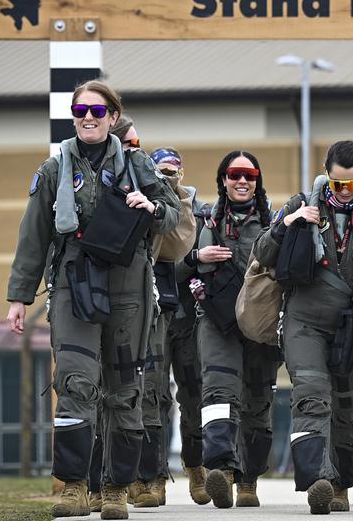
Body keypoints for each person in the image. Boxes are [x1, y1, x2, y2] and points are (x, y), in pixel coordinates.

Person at [6, 80, 181, 520]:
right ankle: (74, 487)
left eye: (98, 111)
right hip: (73, 282)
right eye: (81, 110)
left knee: (125, 391)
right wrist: (19, 297)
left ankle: (116, 490)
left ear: (113, 118)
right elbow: (34, 236)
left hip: (128, 286)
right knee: (76, 384)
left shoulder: (139, 165)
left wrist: (152, 207)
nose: (89, 117)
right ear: (74, 115)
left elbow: (175, 216)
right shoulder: (54, 169)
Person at [254, 140, 353, 515]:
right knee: (312, 393)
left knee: (350, 406)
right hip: (305, 319)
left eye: (352, 185)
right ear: (326, 175)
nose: (344, 192)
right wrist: (288, 223)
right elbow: (262, 254)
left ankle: (341, 482)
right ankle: (318, 478)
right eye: (337, 184)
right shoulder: (298, 207)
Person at [191, 150, 281, 509]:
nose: (242, 180)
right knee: (218, 394)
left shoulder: (276, 224)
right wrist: (198, 258)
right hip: (217, 324)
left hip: (261, 326)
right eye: (234, 174)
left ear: (257, 181)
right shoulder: (204, 222)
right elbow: (175, 267)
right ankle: (221, 471)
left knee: (258, 403)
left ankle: (249, 480)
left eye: (249, 174)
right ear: (223, 180)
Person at [87, 113, 147, 512]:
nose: (135, 152)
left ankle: (116, 487)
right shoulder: (73, 172)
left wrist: (159, 203)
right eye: (130, 144)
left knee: (124, 394)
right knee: (84, 392)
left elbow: (176, 240)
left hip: (134, 296)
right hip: (84, 289)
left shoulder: (148, 179)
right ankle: (87, 485)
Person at [151, 148, 212, 506]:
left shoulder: (199, 214)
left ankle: (196, 468)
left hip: (188, 322)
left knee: (194, 398)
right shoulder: (147, 208)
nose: (169, 176)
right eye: (162, 170)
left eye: (174, 169)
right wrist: (191, 259)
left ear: (183, 171)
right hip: (156, 320)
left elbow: (202, 262)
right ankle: (156, 474)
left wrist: (193, 261)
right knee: (155, 399)